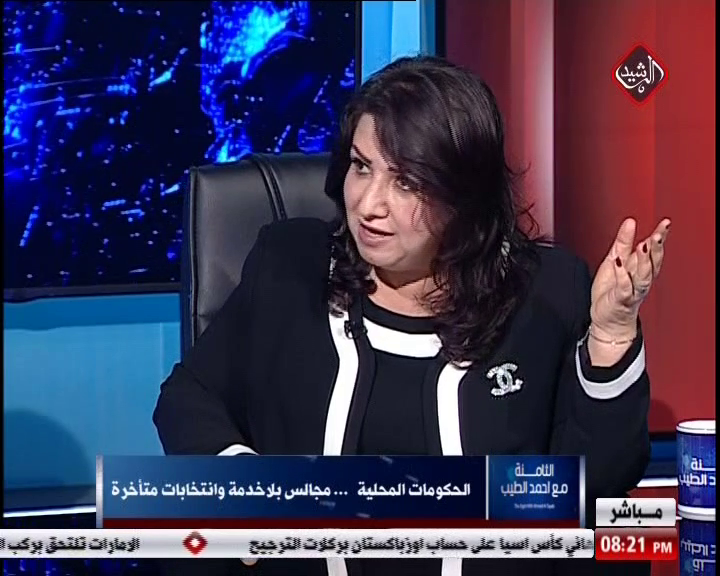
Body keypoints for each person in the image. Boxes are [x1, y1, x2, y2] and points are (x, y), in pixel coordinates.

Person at [153, 55, 670, 576]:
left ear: (463, 194)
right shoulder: (291, 266)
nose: (368, 204)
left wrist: (610, 336)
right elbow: (189, 396)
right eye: (361, 167)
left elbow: (598, 486)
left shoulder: (544, 289)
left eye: (405, 182)